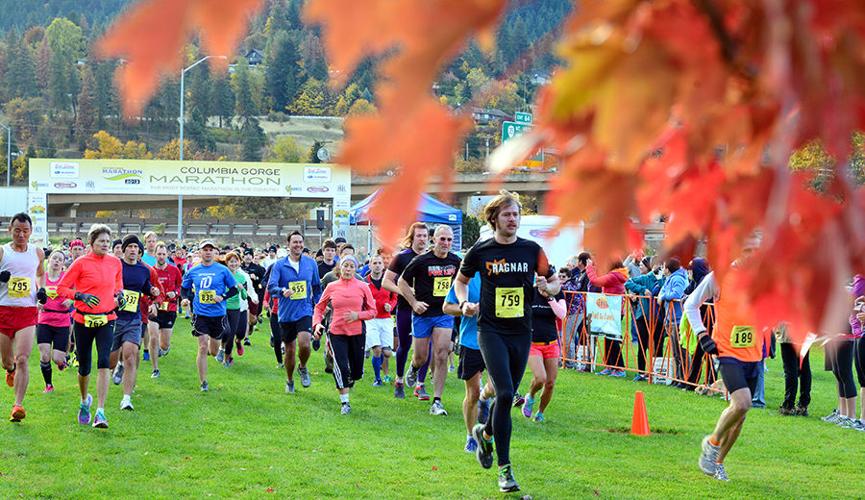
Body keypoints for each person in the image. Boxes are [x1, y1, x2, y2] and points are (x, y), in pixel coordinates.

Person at [453, 191, 558, 493]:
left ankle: (485, 435)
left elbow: (554, 281)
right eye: (507, 215)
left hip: (521, 332)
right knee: (507, 392)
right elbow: (460, 282)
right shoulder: (480, 251)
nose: (513, 220)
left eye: (516, 215)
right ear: (494, 219)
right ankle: (505, 470)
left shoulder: (532, 250)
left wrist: (548, 287)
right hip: (491, 331)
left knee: (503, 397)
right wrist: (464, 304)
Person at [689, 269, 772, 481]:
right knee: (743, 403)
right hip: (727, 351)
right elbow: (690, 304)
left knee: (740, 416)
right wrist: (702, 334)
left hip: (753, 354)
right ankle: (712, 443)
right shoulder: (719, 275)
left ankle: (718, 463)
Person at [57, 224, 124, 429]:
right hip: (83, 319)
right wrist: (80, 295)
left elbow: (118, 285)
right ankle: (85, 400)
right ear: (91, 243)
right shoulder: (81, 263)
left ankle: (101, 412)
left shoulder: (115, 262)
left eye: (108, 241)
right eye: (101, 241)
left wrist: (119, 296)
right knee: (85, 366)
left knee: (104, 361)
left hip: (107, 318)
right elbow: (61, 288)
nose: (105, 244)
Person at [399, 225, 462, 415]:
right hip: (422, 314)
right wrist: (414, 302)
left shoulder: (455, 261)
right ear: (434, 239)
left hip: (444, 313)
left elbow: (463, 281)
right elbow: (402, 282)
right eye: (443, 239)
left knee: (442, 354)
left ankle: (437, 400)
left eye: (450, 240)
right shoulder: (421, 260)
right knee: (421, 357)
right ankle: (413, 367)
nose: (446, 243)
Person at [312, 256, 376, 414]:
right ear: (340, 268)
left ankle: (350, 378)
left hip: (357, 332)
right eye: (345, 266)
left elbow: (372, 311)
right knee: (341, 367)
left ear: (355, 269)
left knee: (356, 372)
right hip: (336, 332)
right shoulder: (332, 286)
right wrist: (317, 324)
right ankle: (345, 403)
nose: (348, 269)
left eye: (351, 266)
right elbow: (319, 308)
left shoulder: (363, 287)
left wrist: (357, 315)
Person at [1, 213, 46, 422]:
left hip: (27, 310)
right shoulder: (2, 252)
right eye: (17, 230)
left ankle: (18, 406)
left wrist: (41, 289)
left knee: (23, 358)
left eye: (25, 231)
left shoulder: (37, 252)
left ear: (30, 231)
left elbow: (39, 274)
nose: (21, 234)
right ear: (10, 230)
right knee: (7, 361)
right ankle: (9, 370)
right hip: (3, 310)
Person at [444, 271, 495, 453]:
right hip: (471, 341)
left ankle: (485, 397)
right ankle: (471, 436)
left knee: (497, 388)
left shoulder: (507, 275)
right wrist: (466, 309)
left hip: (499, 340)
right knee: (471, 393)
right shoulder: (468, 277)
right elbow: (447, 307)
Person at [109, 235, 161, 411]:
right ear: (123, 249)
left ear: (140, 251)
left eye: (135, 247)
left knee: (131, 354)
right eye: (129, 246)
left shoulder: (144, 269)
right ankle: (116, 366)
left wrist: (151, 290)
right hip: (114, 318)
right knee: (109, 360)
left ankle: (126, 399)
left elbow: (145, 286)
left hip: (134, 318)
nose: (133, 250)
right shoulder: (115, 267)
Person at [267, 231, 322, 394]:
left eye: (300, 242)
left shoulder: (310, 264)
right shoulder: (279, 265)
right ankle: (290, 380)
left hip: (305, 310)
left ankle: (303, 367)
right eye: (294, 242)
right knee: (290, 350)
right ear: (288, 245)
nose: (298, 245)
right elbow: (271, 287)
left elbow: (316, 287)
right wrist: (282, 290)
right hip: (286, 313)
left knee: (305, 343)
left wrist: (319, 304)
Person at [180, 239, 238, 392]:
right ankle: (203, 382)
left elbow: (234, 289)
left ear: (214, 252)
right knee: (202, 345)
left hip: (218, 314)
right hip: (200, 313)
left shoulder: (222, 270)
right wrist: (185, 298)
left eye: (210, 249)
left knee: (212, 350)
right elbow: (184, 288)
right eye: (204, 249)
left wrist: (223, 297)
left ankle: (216, 351)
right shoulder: (193, 271)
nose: (207, 252)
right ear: (200, 252)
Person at [384, 222, 430, 399]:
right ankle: (400, 380)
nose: (422, 239)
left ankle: (420, 384)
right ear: (412, 237)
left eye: (425, 236)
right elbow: (387, 282)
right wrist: (405, 291)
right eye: (419, 235)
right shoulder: (402, 257)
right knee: (405, 344)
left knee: (427, 348)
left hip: (426, 309)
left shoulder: (430, 257)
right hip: (405, 308)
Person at [522, 269, 566, 422]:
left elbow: (561, 314)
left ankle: (540, 413)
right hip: (532, 343)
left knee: (550, 383)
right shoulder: (530, 293)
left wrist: (549, 298)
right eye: (539, 279)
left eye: (546, 280)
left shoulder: (558, 293)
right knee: (540, 378)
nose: (542, 282)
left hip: (551, 343)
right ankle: (530, 396)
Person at [36, 250, 73, 394]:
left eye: (60, 260)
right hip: (44, 320)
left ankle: (62, 361)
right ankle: (49, 385)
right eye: (54, 258)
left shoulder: (66, 278)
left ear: (63, 263)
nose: (57, 261)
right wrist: (36, 304)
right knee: (44, 355)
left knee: (57, 358)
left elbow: (76, 292)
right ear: (49, 260)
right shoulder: (41, 278)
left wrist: (71, 300)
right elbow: (33, 295)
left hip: (62, 321)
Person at [586, 259, 629, 377]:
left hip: (613, 311)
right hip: (610, 310)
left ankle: (619, 368)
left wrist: (589, 268)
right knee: (608, 338)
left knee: (613, 339)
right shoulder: (616, 274)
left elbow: (595, 281)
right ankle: (610, 366)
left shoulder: (614, 276)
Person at [624, 257, 664, 381]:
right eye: (657, 264)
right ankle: (641, 373)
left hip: (659, 318)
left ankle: (657, 373)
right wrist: (642, 290)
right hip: (643, 316)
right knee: (643, 345)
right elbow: (628, 282)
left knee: (658, 345)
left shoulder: (664, 279)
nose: (659, 266)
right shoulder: (645, 278)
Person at [364, 255, 397, 386]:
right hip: (371, 319)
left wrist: (391, 305)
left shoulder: (388, 282)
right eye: (375, 263)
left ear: (383, 266)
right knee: (377, 349)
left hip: (386, 319)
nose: (377, 265)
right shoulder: (365, 282)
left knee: (387, 353)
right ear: (370, 265)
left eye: (380, 263)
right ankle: (377, 379)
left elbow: (395, 297)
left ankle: (385, 373)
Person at [657, 258, 689, 387]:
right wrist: (663, 295)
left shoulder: (677, 279)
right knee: (675, 352)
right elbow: (662, 290)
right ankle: (678, 377)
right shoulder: (669, 279)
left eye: (664, 267)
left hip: (678, 318)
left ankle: (684, 378)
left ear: (668, 269)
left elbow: (677, 294)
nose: (662, 269)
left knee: (681, 351)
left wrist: (663, 297)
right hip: (670, 318)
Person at [222, 251, 257, 367]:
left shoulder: (242, 277)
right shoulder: (223, 275)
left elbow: (244, 296)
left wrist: (242, 289)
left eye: (235, 261)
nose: (233, 264)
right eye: (231, 261)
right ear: (227, 263)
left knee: (239, 334)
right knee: (228, 333)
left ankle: (237, 343)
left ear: (239, 262)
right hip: (223, 307)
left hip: (236, 308)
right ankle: (226, 358)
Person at [152, 243, 182, 377]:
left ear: (167, 255)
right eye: (159, 254)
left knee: (164, 344)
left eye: (164, 254)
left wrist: (175, 293)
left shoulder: (174, 270)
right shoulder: (150, 271)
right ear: (155, 255)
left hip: (169, 308)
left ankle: (163, 348)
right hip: (154, 308)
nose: (161, 256)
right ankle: (155, 369)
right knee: (153, 337)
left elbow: (181, 287)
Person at [775, 323, 811, 416]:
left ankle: (788, 405)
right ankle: (803, 405)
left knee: (790, 370)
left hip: (790, 330)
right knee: (804, 368)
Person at [241, 249, 267, 343]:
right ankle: (246, 338)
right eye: (246, 255)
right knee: (246, 315)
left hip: (254, 295)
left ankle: (252, 325)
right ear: (243, 256)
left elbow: (264, 281)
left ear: (252, 257)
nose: (248, 257)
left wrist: (256, 278)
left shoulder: (258, 268)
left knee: (253, 319)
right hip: (242, 296)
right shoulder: (239, 268)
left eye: (250, 255)